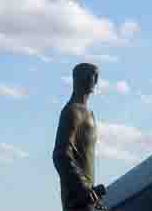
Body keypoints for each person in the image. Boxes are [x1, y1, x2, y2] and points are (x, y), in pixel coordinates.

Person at [53, 63, 106, 211]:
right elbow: (60, 155)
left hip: (88, 201)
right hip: (77, 202)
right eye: (92, 76)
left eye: (97, 76)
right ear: (79, 79)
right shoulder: (71, 111)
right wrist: (83, 188)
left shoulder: (90, 114)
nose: (95, 81)